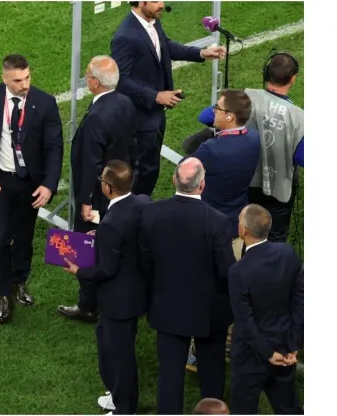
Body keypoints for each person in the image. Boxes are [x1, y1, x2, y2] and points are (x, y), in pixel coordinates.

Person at [0, 54, 63, 324]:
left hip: (29, 182)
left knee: (23, 237)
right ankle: (4, 294)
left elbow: (54, 147)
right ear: (5, 79)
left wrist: (49, 184)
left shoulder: (45, 103)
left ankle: (20, 281)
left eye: (28, 78)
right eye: (18, 80)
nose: (25, 85)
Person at [137, 157, 235, 414]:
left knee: (170, 374)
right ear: (202, 185)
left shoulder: (151, 213)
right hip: (210, 310)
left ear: (174, 180)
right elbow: (226, 272)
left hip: (167, 305)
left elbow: (144, 261)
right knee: (212, 373)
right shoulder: (217, 221)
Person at [61, 160, 149, 416]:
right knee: (110, 346)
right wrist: (102, 235)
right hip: (134, 292)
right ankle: (118, 395)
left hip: (119, 300)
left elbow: (106, 269)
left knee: (120, 358)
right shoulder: (140, 203)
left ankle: (125, 409)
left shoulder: (112, 223)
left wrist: (79, 271)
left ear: (108, 188)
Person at [110, 1, 225, 197]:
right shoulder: (125, 36)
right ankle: (133, 210)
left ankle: (141, 207)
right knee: (140, 172)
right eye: (155, 1)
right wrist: (155, 96)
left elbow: (166, 46)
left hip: (154, 114)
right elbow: (120, 81)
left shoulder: (152, 21)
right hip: (140, 119)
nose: (162, 4)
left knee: (150, 168)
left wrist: (201, 53)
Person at [184, 89, 261, 372]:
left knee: (201, 290)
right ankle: (229, 341)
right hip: (236, 228)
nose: (212, 112)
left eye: (217, 108)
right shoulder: (253, 139)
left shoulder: (211, 149)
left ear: (229, 116)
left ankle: (195, 353)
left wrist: (207, 136)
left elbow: (185, 169)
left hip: (208, 229)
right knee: (230, 290)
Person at [59, 56, 136, 322]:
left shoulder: (97, 117)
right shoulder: (126, 103)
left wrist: (86, 200)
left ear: (94, 83)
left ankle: (88, 304)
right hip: (119, 188)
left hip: (100, 193)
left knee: (88, 246)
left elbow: (91, 163)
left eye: (88, 75)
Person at [197, 52, 304, 242]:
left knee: (247, 231)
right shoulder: (298, 117)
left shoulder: (247, 97)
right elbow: (302, 158)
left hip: (247, 181)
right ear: (293, 79)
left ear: (265, 73)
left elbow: (206, 116)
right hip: (279, 189)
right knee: (275, 239)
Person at [229, 204, 304, 414]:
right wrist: (293, 343)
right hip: (284, 347)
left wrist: (267, 353)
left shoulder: (238, 271)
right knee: (288, 408)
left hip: (250, 357)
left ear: (243, 230)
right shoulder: (288, 254)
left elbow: (244, 320)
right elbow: (300, 301)